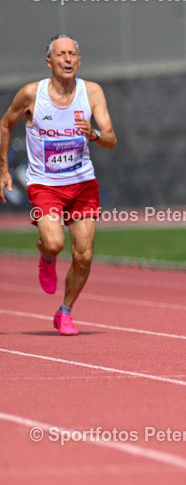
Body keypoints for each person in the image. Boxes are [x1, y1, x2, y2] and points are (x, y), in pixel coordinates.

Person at [0, 35, 118, 335]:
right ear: (49, 61)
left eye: (73, 54)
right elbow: (5, 124)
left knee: (84, 255)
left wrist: (92, 134)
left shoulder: (92, 92)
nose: (68, 59)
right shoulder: (31, 94)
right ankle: (46, 256)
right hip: (46, 184)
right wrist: (3, 169)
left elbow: (111, 140)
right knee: (54, 243)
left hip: (82, 184)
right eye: (61, 54)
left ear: (79, 60)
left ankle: (65, 311)